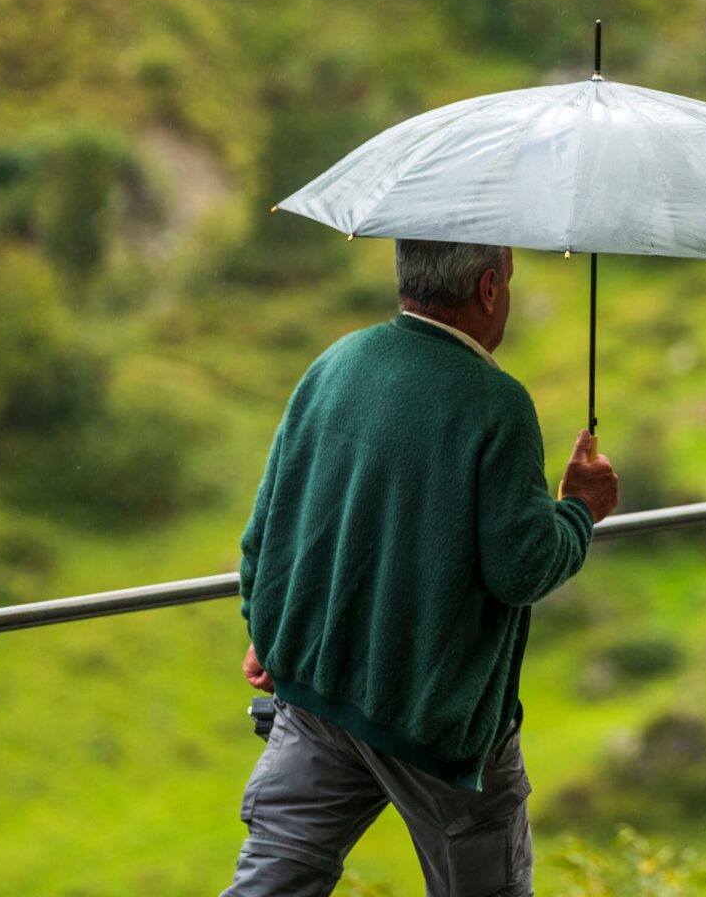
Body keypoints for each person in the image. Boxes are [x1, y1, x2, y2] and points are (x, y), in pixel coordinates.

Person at [225, 239, 619, 897]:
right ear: (489, 288)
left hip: (316, 689)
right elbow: (521, 569)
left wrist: (268, 630)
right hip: (435, 720)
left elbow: (264, 532)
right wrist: (580, 509)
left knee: (272, 886)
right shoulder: (496, 402)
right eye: (511, 281)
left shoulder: (335, 363)